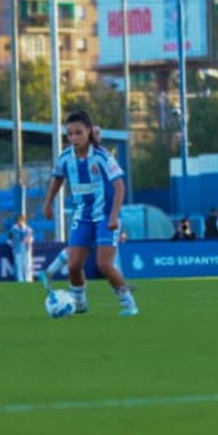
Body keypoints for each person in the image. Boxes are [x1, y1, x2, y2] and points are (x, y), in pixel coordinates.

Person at [41, 110, 139, 316]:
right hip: (82, 216)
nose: (74, 138)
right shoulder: (65, 158)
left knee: (104, 264)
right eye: (70, 134)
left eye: (79, 133)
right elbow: (57, 179)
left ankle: (128, 302)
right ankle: (79, 302)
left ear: (89, 132)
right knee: (74, 265)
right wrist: (48, 204)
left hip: (105, 216)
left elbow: (120, 186)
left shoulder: (103, 156)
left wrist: (114, 215)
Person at [8, 213, 36, 283]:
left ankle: (28, 279)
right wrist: (14, 245)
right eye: (19, 220)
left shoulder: (28, 229)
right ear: (17, 221)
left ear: (24, 221)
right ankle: (20, 280)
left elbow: (32, 238)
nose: (20, 222)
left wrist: (29, 241)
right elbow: (9, 240)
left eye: (22, 220)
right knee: (19, 264)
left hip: (27, 249)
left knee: (28, 264)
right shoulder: (13, 230)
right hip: (17, 249)